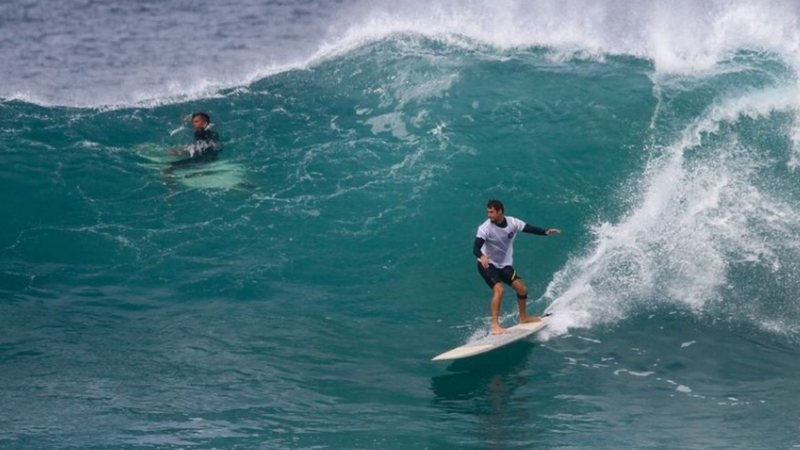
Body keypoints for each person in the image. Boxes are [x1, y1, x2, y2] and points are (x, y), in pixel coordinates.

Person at [474, 199, 561, 334]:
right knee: (499, 289)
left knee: (522, 289)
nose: (489, 215)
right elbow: (475, 248)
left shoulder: (513, 222)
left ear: (500, 211)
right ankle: (495, 326)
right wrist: (482, 256)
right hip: (487, 264)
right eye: (488, 212)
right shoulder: (485, 228)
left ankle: (523, 317)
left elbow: (529, 228)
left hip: (504, 265)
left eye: (491, 212)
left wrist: (545, 232)